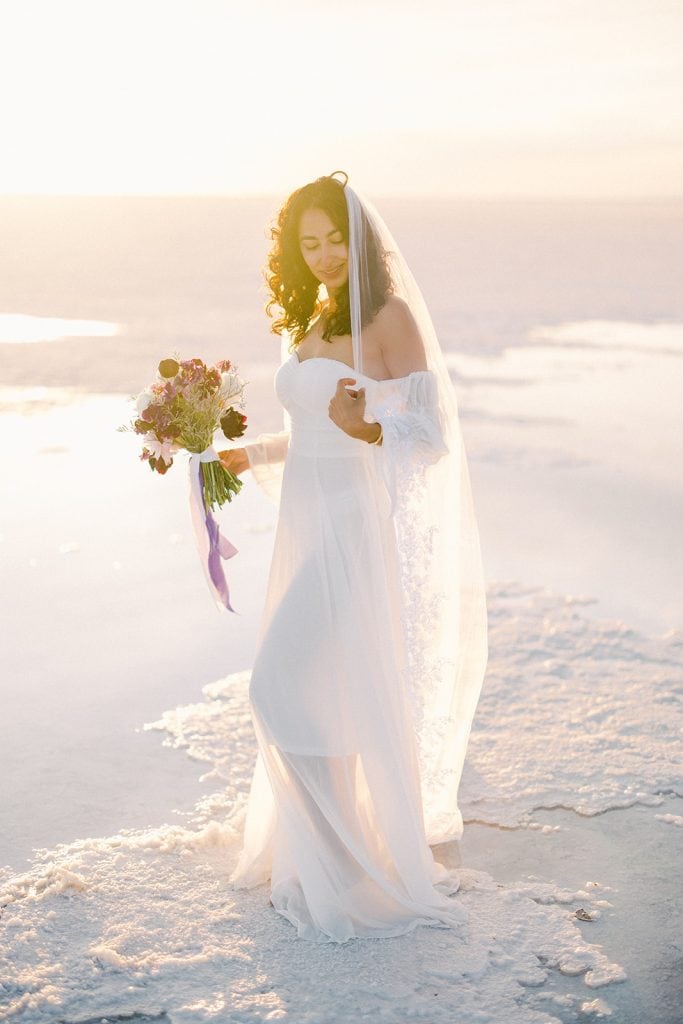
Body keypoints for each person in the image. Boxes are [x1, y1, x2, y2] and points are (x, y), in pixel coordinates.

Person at [218, 171, 488, 943]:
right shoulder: (309, 314)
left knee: (276, 688)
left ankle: (344, 860)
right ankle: (327, 853)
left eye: (335, 238)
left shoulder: (389, 316)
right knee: (319, 689)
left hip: (349, 526)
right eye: (309, 243)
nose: (326, 254)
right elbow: (312, 429)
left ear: (358, 238)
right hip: (305, 522)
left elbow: (430, 438)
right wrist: (249, 454)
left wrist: (373, 431)